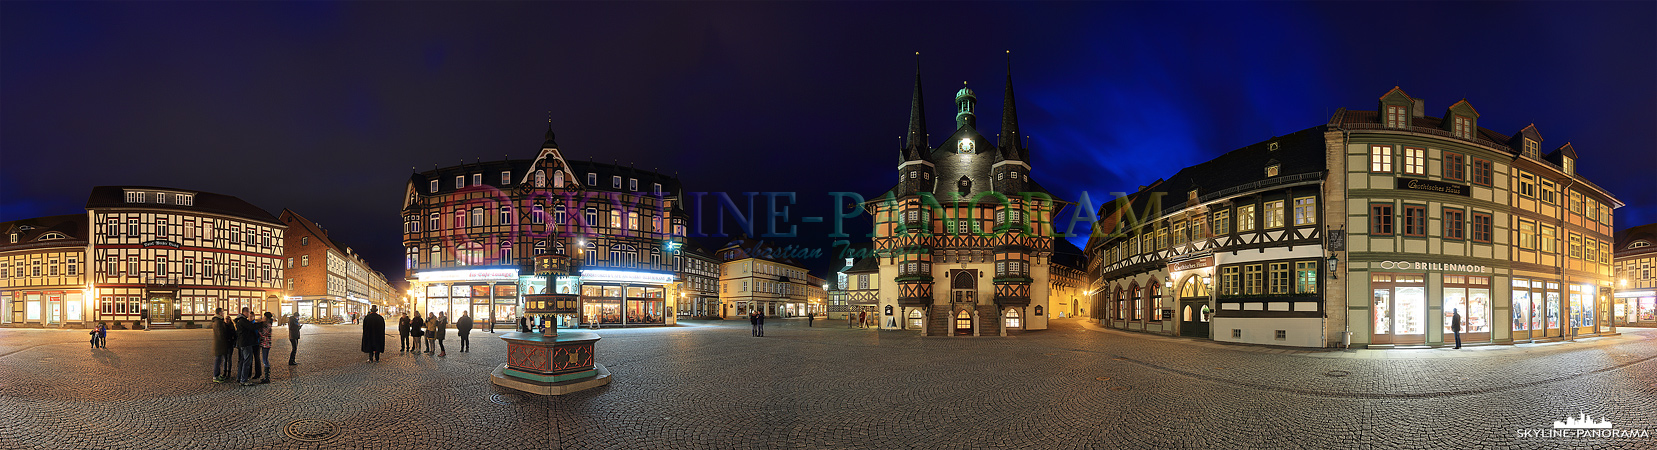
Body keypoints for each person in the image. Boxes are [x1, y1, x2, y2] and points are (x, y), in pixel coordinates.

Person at [234, 307, 259, 386]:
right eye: (248, 312)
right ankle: (243, 380)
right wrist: (262, 323)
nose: (249, 314)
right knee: (247, 361)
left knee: (242, 360)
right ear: (245, 312)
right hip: (245, 343)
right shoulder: (243, 321)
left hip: (241, 343)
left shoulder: (239, 320)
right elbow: (252, 327)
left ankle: (239, 377)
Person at [256, 312, 274, 383]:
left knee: (265, 360)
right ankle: (266, 377)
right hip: (264, 344)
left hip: (266, 344)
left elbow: (263, 333)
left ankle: (267, 378)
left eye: (264, 317)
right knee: (264, 360)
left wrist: (257, 329)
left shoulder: (268, 325)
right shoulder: (266, 324)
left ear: (266, 318)